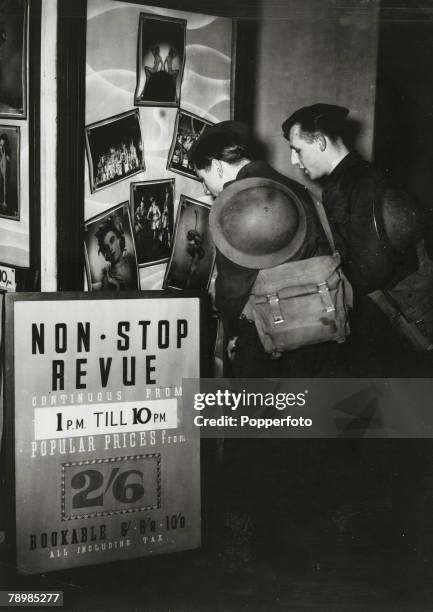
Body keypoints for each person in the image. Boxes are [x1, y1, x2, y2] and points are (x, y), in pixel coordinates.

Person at [282, 103, 426, 375]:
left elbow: (369, 269)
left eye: (297, 149)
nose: (293, 160)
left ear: (321, 142)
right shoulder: (362, 176)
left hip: (380, 324)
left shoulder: (351, 184)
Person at [189, 120, 341, 378]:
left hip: (268, 339)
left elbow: (235, 286)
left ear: (216, 166)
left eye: (202, 178)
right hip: (317, 326)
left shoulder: (239, 199)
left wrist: (233, 331)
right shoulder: (294, 187)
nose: (206, 189)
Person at [93, 214, 138, 291]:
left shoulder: (134, 264)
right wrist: (117, 287)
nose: (110, 248)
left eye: (112, 240)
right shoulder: (107, 280)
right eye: (106, 247)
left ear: (119, 239)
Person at [0, 133, 10, 209]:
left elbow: (9, 159)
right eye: (0, 144)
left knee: (5, 182)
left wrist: (5, 155)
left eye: (3, 144)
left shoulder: (7, 149)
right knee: (2, 182)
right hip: (1, 164)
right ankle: (3, 200)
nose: (1, 145)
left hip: (5, 165)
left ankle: (5, 201)